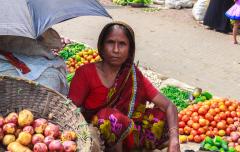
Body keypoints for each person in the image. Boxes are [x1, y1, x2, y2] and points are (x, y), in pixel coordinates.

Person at [68, 21, 180, 152]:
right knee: (109, 117)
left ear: (130, 49)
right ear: (101, 46)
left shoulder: (132, 75)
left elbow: (169, 106)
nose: (116, 50)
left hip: (130, 135)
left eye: (122, 44)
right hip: (98, 135)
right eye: (110, 42)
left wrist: (175, 140)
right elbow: (71, 110)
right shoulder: (85, 73)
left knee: (162, 116)